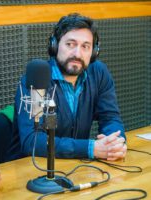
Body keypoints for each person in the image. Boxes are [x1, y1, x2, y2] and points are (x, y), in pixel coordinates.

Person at [7, 13, 127, 162]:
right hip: (31, 169)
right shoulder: (37, 80)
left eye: (85, 46)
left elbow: (110, 118)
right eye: (70, 44)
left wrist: (115, 143)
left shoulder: (99, 73)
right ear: (55, 45)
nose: (77, 53)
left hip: (75, 165)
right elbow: (32, 141)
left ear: (94, 52)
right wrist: (90, 148)